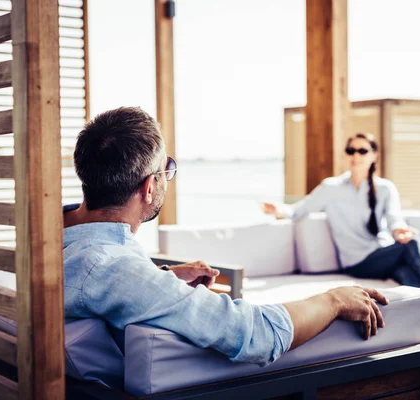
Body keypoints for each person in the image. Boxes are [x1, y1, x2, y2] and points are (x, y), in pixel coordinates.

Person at [63, 107, 389, 366]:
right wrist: (333, 300)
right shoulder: (114, 270)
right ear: (149, 188)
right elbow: (256, 335)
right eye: (168, 170)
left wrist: (162, 278)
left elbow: (105, 286)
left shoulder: (48, 237)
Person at [262, 133, 420, 330]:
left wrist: (399, 230)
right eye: (351, 151)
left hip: (382, 255)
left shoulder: (385, 188)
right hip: (358, 262)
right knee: (412, 245)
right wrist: (278, 210)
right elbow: (301, 209)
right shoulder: (331, 188)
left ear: (374, 155)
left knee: (407, 272)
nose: (356, 155)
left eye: (362, 150)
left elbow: (394, 219)